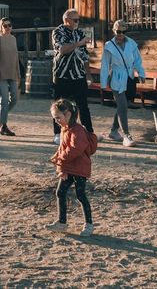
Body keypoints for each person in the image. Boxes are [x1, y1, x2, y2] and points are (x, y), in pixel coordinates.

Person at [47, 98, 96, 237]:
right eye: (55, 118)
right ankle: (62, 223)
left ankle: (89, 224)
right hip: (68, 168)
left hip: (80, 169)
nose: (56, 121)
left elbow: (74, 150)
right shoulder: (65, 129)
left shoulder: (78, 131)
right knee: (60, 192)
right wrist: (57, 159)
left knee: (81, 196)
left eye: (58, 117)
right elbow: (63, 148)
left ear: (68, 114)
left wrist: (60, 161)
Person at [101, 19, 146, 147]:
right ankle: (126, 135)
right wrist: (103, 83)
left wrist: (141, 73)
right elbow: (105, 65)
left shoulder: (131, 44)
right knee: (123, 105)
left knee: (123, 104)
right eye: (118, 31)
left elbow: (137, 60)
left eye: (124, 31)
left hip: (130, 77)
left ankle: (113, 131)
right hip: (116, 77)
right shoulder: (109, 46)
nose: (121, 34)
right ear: (114, 31)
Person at [51, 9, 94, 144]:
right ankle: (58, 133)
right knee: (59, 106)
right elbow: (62, 49)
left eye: (78, 20)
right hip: (62, 74)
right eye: (75, 20)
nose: (77, 22)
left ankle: (89, 132)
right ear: (66, 20)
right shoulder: (58, 32)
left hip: (78, 74)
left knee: (83, 106)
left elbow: (85, 55)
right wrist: (78, 43)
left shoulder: (79, 32)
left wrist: (88, 74)